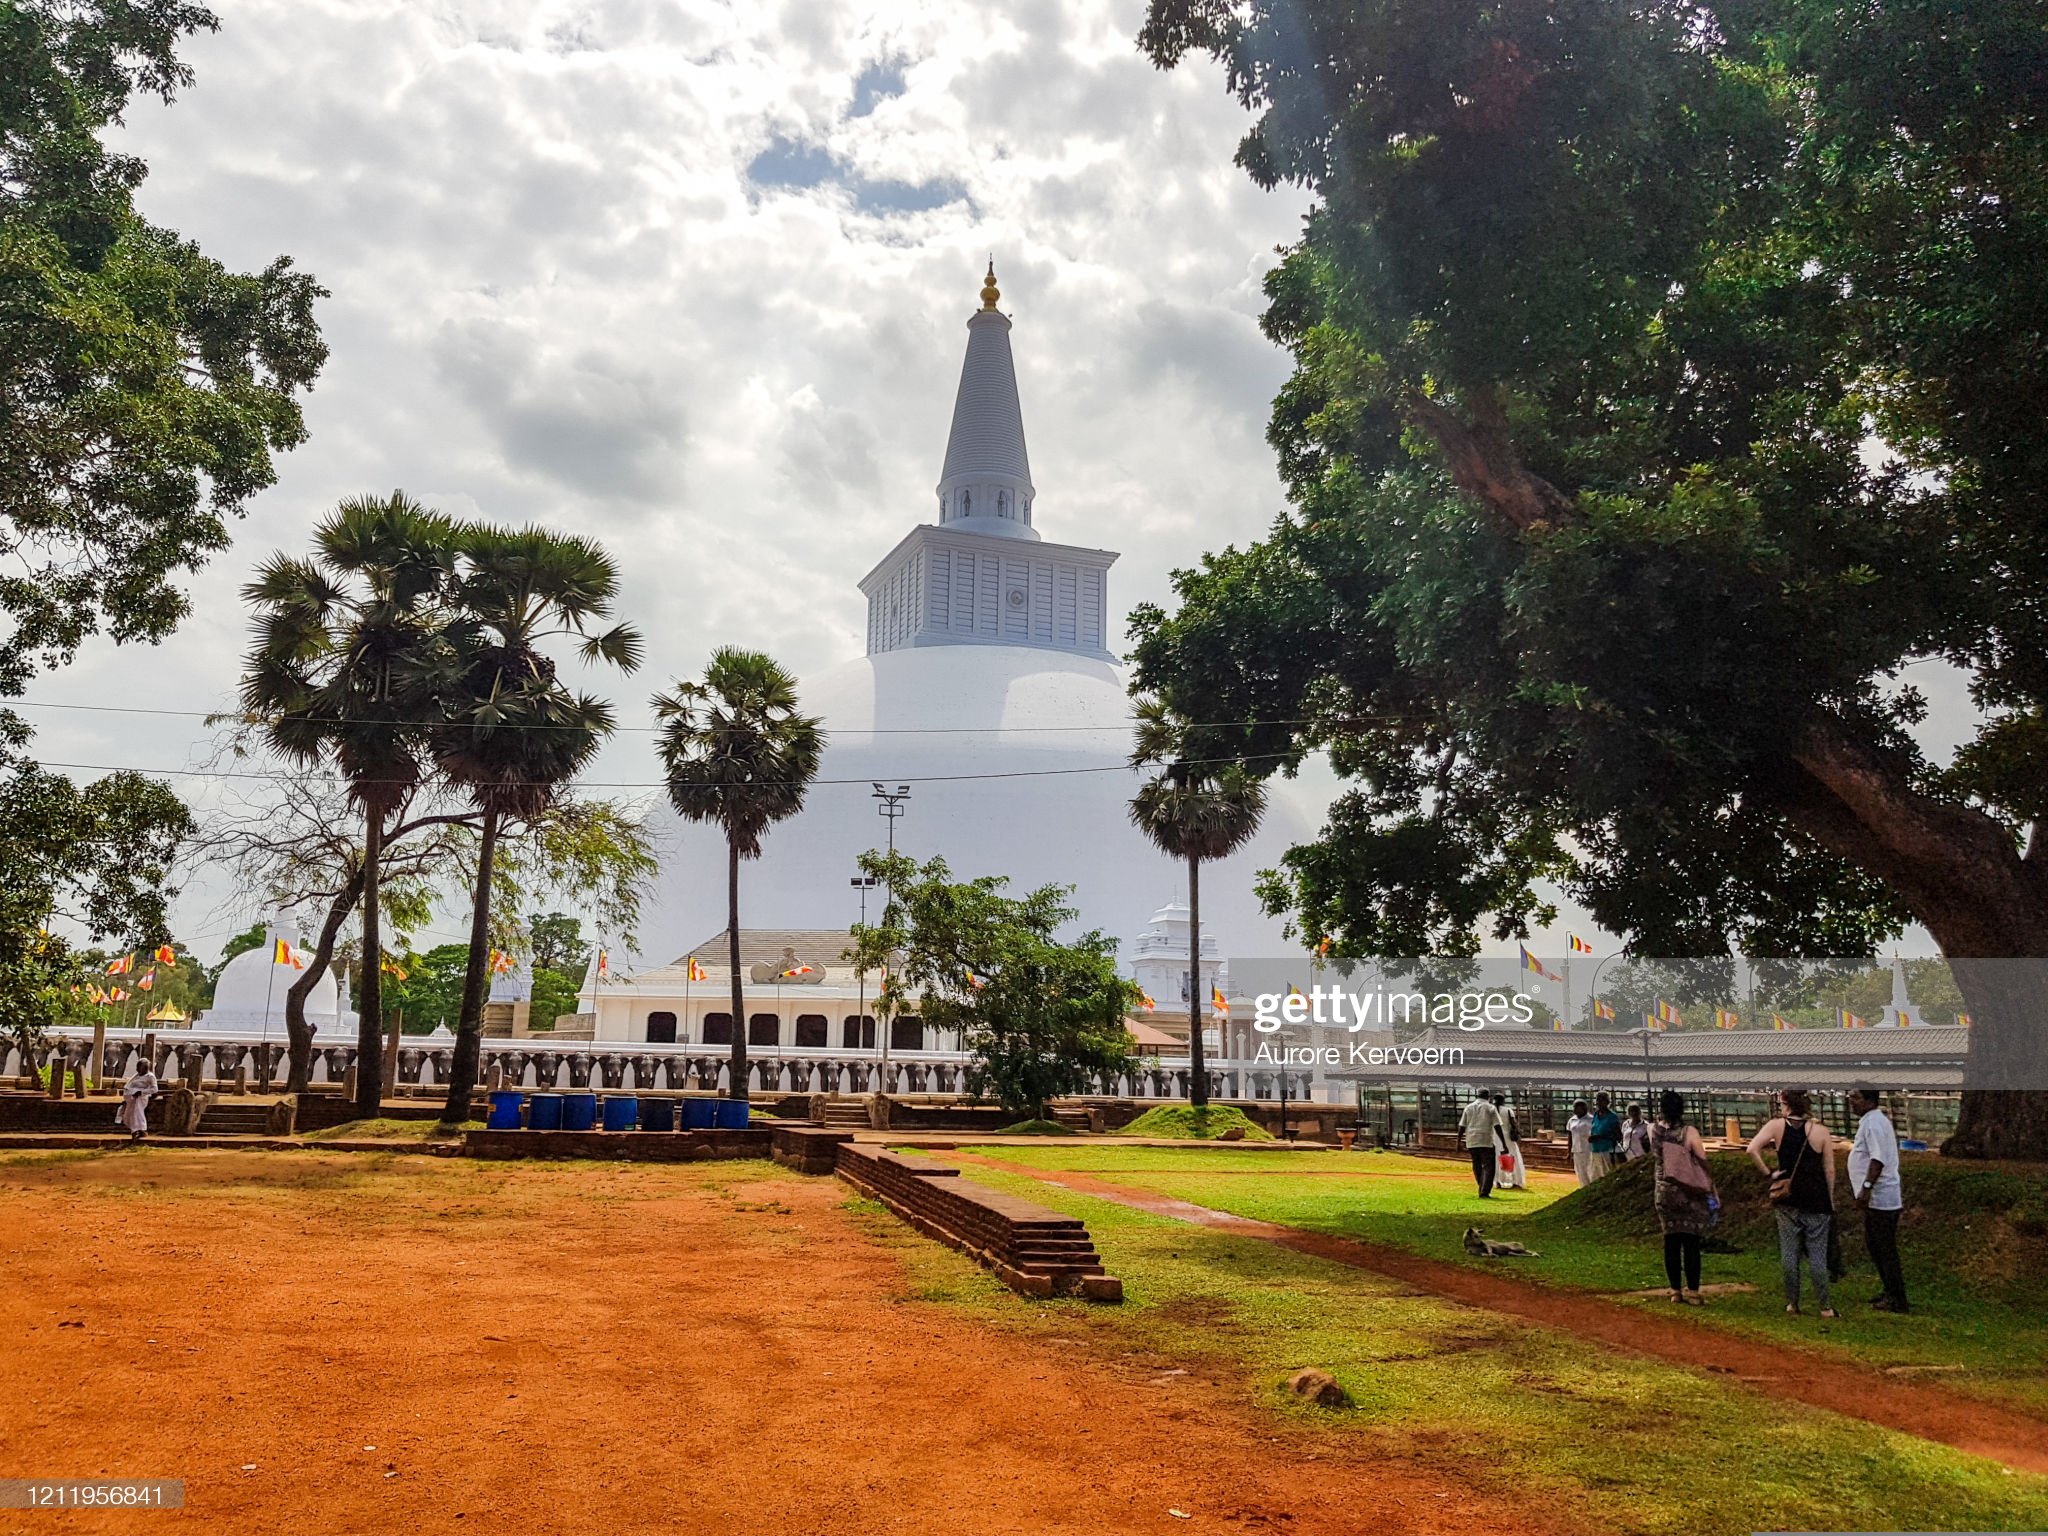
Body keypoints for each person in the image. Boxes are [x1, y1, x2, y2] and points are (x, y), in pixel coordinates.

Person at [1748, 1087, 1837, 1318]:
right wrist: (1830, 1198)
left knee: (1789, 1254)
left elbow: (1752, 1149)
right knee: (1817, 1256)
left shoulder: (1776, 1127)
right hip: (1816, 1199)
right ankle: (1825, 1306)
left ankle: (1792, 1302)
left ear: (1784, 1102)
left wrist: (1770, 1174)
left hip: (1787, 1199)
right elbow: (1829, 1169)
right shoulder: (1821, 1131)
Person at [1650, 1089, 1716, 1305]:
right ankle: (1694, 1292)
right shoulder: (1689, 1132)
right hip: (1687, 1192)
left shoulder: (1655, 1131)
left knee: (1671, 1240)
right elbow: (1702, 1157)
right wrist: (1708, 1181)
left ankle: (1675, 1291)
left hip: (1663, 1191)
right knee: (1690, 1242)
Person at [1848, 1087, 1909, 1314]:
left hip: (1881, 1198)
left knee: (1884, 1249)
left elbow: (1877, 1160)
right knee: (1876, 1247)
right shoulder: (1871, 1121)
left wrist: (1866, 1188)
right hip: (1877, 1199)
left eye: (1855, 1098)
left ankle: (1897, 1298)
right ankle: (1889, 1290)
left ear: (1868, 1100)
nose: (1851, 1102)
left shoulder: (1874, 1123)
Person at [1459, 1090, 1502, 1198]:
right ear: (1488, 1096)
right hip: (1486, 1140)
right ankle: (1484, 1191)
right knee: (1488, 1166)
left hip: (1472, 1140)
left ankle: (1481, 1186)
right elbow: (1497, 1126)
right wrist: (1503, 1142)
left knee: (1476, 1164)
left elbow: (1462, 1126)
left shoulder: (1468, 1107)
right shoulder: (1491, 1108)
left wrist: (1458, 1141)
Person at [118, 1060, 159, 1141]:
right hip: (131, 1097)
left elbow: (154, 1089)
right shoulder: (136, 1076)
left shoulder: (150, 1076)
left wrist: (141, 1092)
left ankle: (137, 1130)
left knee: (136, 1112)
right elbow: (128, 1086)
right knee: (129, 1114)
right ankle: (139, 1130)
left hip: (141, 1097)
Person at [1493, 1092, 1526, 1191]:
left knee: (1497, 1159)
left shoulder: (1491, 1110)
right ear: (1503, 1100)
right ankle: (1515, 1181)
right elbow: (1513, 1123)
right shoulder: (1508, 1110)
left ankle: (1498, 1181)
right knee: (1513, 1157)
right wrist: (1519, 1132)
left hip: (1495, 1137)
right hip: (1507, 1137)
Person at [1588, 1093, 1622, 1178]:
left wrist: (1601, 1137)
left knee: (1607, 1175)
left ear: (1607, 1102)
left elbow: (1618, 1136)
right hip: (1595, 1150)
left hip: (1607, 1151)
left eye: (1602, 1100)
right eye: (1598, 1100)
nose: (1599, 1102)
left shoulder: (1612, 1117)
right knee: (1594, 1177)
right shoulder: (1596, 1115)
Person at [1566, 1099, 1594, 1186]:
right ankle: (1584, 1187)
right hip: (1576, 1150)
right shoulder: (1572, 1120)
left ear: (1584, 1108)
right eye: (1574, 1107)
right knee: (1580, 1171)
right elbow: (1570, 1136)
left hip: (1588, 1149)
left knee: (1590, 1170)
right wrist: (1569, 1151)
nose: (1574, 1109)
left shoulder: (1592, 1119)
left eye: (1577, 1107)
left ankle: (1591, 1187)